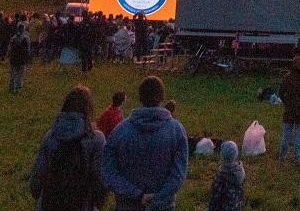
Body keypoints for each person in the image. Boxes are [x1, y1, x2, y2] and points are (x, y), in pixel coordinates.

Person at [102, 75, 188, 211]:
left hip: (128, 204)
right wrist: (158, 199)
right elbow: (178, 175)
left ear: (140, 98)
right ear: (162, 98)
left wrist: (136, 194)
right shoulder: (177, 131)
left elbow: (108, 172)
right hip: (162, 206)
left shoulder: (120, 131)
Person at [29, 85, 107, 211]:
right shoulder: (96, 138)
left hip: (49, 202)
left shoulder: (51, 135)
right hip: (81, 203)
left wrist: (39, 197)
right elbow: (100, 179)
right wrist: (97, 202)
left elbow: (37, 174)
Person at [207, 140, 245, 211]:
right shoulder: (240, 171)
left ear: (222, 155)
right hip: (236, 206)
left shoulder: (221, 175)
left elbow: (215, 196)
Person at [9, 22, 32, 93]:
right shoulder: (26, 38)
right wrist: (28, 58)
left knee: (13, 73)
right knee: (21, 74)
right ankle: (18, 88)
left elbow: (10, 48)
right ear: (24, 30)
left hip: (13, 58)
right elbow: (28, 49)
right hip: (22, 58)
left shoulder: (13, 38)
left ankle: (12, 87)